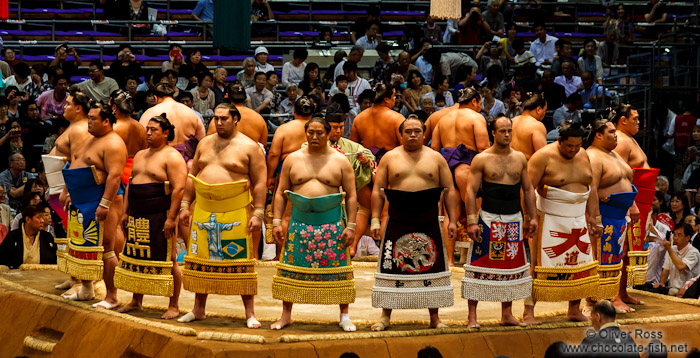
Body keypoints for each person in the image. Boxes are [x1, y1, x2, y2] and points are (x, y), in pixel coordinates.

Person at [177, 103, 266, 327]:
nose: (218, 122)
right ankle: (198, 309)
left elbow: (260, 183)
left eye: (224, 118)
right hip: (204, 209)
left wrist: (258, 212)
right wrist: (185, 205)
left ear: (235, 119)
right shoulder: (205, 143)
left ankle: (250, 313)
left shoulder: (249, 147)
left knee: (241, 262)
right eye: (215, 118)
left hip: (235, 210)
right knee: (200, 261)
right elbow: (192, 175)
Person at [370, 116, 458, 331]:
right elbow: (377, 190)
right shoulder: (390, 158)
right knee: (390, 266)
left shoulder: (436, 158)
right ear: (400, 134)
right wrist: (374, 219)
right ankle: (385, 316)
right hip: (397, 217)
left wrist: (453, 219)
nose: (412, 134)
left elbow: (450, 190)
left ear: (424, 134)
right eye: (408, 131)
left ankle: (435, 318)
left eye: (417, 131)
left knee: (432, 266)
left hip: (428, 217)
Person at [270, 117, 358, 331]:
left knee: (339, 273)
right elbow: (280, 193)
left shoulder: (340, 161)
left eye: (319, 133)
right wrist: (276, 221)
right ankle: (286, 315)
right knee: (290, 271)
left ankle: (344, 315)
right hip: (299, 224)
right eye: (311, 132)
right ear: (305, 133)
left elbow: (352, 196)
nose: (314, 136)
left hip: (331, 225)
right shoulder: (292, 159)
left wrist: (351, 226)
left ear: (328, 134)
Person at [463, 116, 538, 328]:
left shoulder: (520, 158)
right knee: (478, 267)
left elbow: (527, 189)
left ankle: (507, 314)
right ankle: (472, 317)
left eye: (509, 131)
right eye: (502, 131)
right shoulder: (482, 159)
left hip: (513, 219)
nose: (507, 135)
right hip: (488, 218)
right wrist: (471, 221)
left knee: (511, 268)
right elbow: (470, 191)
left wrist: (532, 216)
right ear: (493, 133)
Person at [524, 120, 601, 325]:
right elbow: (528, 189)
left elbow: (591, 186)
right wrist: (529, 217)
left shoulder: (582, 154)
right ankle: (528, 311)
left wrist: (595, 217)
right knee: (538, 267)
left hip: (577, 218)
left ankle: (573, 309)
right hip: (549, 217)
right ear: (559, 140)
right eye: (569, 146)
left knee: (579, 266)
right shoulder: (542, 157)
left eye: (577, 146)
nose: (574, 150)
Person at [114, 113, 185, 319]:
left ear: (166, 134)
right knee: (137, 257)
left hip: (160, 214)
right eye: (148, 129)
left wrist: (172, 218)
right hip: (137, 213)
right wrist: (125, 211)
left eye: (154, 130)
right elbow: (130, 185)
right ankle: (136, 300)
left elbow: (179, 189)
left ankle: (173, 305)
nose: (149, 133)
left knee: (169, 260)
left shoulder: (172, 156)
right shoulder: (139, 155)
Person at [60, 101, 127, 309]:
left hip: (101, 200)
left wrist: (104, 204)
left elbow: (115, 176)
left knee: (106, 247)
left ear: (106, 121)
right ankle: (86, 289)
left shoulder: (114, 143)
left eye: (93, 118)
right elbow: (75, 162)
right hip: (81, 199)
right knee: (80, 244)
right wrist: (69, 190)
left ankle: (112, 297)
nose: (88, 121)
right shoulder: (89, 138)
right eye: (88, 117)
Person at [587, 119, 640, 312]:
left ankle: (617, 294)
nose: (615, 135)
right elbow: (591, 189)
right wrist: (594, 216)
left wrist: (632, 204)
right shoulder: (593, 156)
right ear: (598, 135)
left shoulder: (614, 155)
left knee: (619, 255)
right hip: (604, 212)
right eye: (611, 132)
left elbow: (626, 181)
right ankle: (605, 298)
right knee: (604, 256)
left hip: (620, 213)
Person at [431, 88, 490, 260]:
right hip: (467, 169)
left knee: (451, 215)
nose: (480, 107)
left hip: (447, 170)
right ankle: (480, 257)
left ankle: (449, 260)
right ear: (474, 101)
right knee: (479, 212)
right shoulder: (476, 118)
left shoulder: (443, 119)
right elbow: (483, 149)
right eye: (480, 103)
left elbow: (434, 149)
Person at [611, 104, 659, 300]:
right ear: (623, 120)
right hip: (631, 202)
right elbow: (620, 175)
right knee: (622, 249)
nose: (639, 122)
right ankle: (615, 295)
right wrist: (631, 203)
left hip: (641, 201)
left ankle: (622, 292)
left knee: (630, 250)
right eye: (635, 118)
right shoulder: (621, 141)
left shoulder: (629, 139)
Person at [312, 111, 375, 257]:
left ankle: (348, 250)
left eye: (341, 127)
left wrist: (365, 161)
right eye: (334, 127)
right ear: (325, 127)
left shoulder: (351, 146)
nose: (339, 131)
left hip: (344, 193)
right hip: (320, 193)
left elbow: (369, 157)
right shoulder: (312, 144)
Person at [138, 83, 206, 162]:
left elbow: (141, 142)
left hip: (159, 161)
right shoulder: (192, 113)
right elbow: (202, 142)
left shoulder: (150, 113)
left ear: (155, 98)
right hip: (185, 162)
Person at [350, 83, 403, 164]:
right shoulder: (397, 118)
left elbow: (353, 149)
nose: (395, 98)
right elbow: (406, 146)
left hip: (367, 165)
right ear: (386, 99)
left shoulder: (359, 118)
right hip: (391, 164)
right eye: (394, 96)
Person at [208, 82, 268, 149]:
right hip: (251, 156)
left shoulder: (220, 118)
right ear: (245, 97)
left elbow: (209, 144)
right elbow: (263, 146)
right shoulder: (258, 118)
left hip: (226, 156)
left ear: (226, 96)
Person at [0, 204, 55, 269]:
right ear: (28, 219)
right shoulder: (12, 237)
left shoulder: (47, 238)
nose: (42, 221)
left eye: (42, 217)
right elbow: (3, 261)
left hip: (43, 276)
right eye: (38, 217)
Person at [110, 90, 147, 185]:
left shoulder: (113, 128)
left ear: (114, 107)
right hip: (138, 170)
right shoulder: (140, 127)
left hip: (118, 172)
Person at [654, 223, 700, 296]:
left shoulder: (694, 252)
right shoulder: (672, 249)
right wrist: (662, 283)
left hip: (688, 292)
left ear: (688, 238)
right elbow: (666, 270)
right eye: (674, 234)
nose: (675, 238)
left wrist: (669, 249)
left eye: (679, 235)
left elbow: (680, 266)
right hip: (672, 290)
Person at [510, 93, 548, 159]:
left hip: (506, 164)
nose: (544, 113)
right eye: (544, 110)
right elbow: (542, 156)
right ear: (538, 110)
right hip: (526, 166)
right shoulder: (537, 126)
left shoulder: (511, 121)